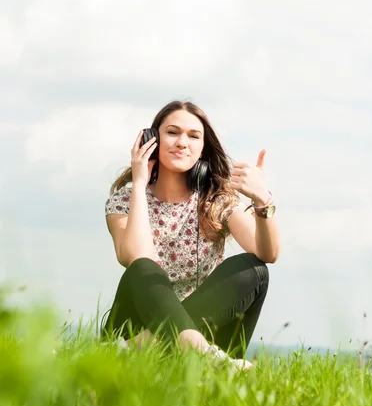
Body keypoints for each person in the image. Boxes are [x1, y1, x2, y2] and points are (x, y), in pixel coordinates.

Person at [101, 100, 281, 370]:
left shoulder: (215, 201)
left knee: (254, 269)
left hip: (196, 328)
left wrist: (262, 200)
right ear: (152, 139)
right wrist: (139, 182)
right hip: (133, 322)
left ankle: (140, 350)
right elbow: (134, 258)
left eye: (194, 136)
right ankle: (205, 357)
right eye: (172, 132)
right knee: (143, 268)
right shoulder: (124, 201)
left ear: (202, 149)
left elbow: (268, 253)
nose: (182, 142)